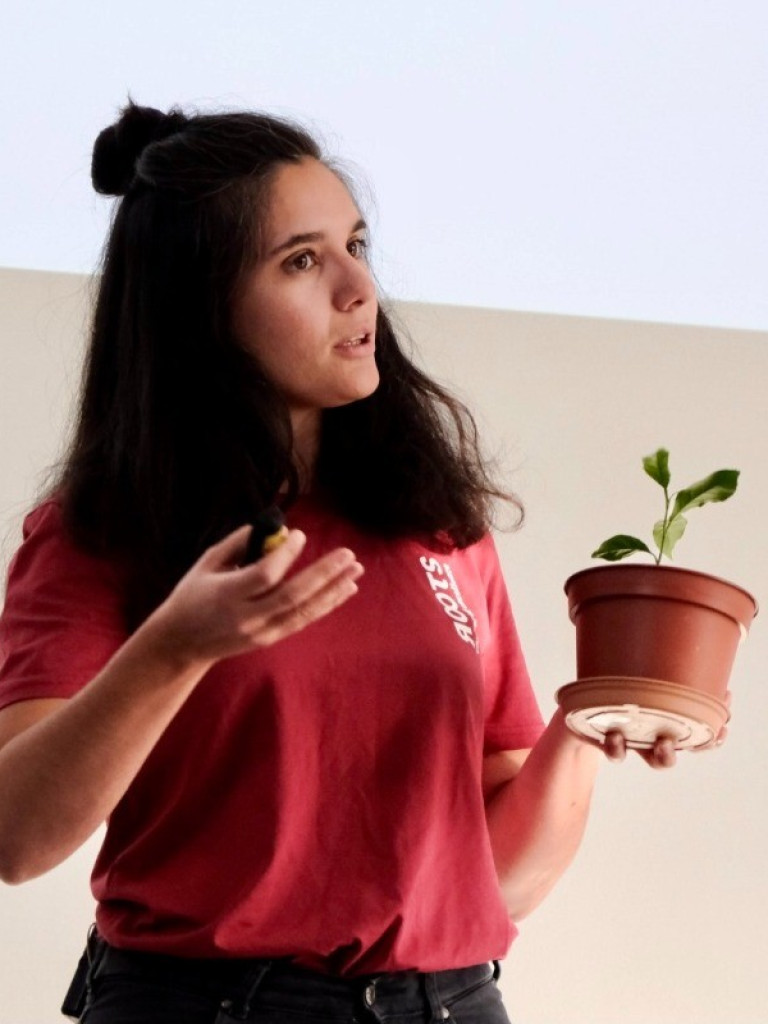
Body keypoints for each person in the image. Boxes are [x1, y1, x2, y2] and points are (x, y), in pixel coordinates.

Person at [0, 101, 678, 1024]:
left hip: (452, 1004)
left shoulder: (438, 525)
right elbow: (18, 836)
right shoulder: (103, 532)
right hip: (209, 1006)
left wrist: (587, 729)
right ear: (201, 308)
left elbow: (499, 884)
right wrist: (176, 647)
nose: (360, 287)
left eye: (356, 244)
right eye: (303, 260)